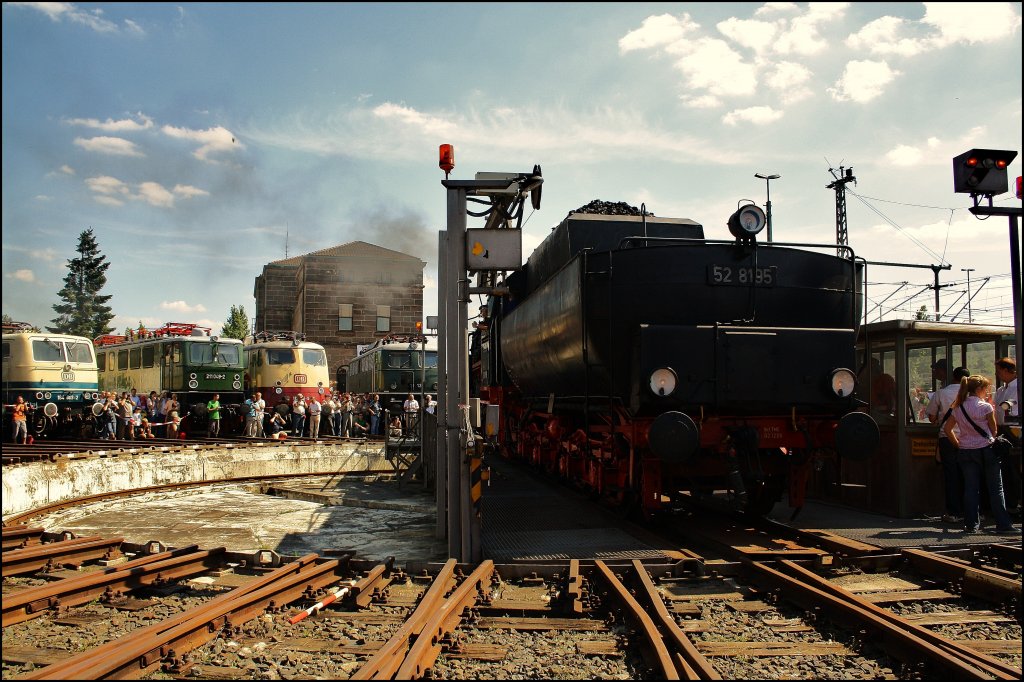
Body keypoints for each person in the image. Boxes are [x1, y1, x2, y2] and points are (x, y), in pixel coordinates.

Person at [944, 374, 1016, 534]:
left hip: (966, 451)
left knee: (971, 488)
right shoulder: (985, 407)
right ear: (979, 389)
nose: (987, 391)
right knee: (996, 489)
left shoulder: (958, 407)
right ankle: (1003, 524)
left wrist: (958, 444)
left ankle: (971, 525)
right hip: (986, 450)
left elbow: (947, 429)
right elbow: (994, 430)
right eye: (986, 388)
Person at [926, 361, 970, 523]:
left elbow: (931, 416)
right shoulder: (971, 394)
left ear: (953, 376)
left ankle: (954, 512)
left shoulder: (941, 393)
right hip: (968, 439)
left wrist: (938, 419)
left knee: (951, 476)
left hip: (947, 438)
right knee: (968, 475)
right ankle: (972, 511)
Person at [994, 357, 1020, 515]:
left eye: (999, 371)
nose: (998, 374)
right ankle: (1010, 502)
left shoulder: (1016, 388)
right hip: (1001, 429)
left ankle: (1015, 500)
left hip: (1014, 429)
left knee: (1014, 467)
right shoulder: (1001, 390)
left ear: (1006, 370)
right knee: (1005, 468)